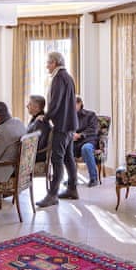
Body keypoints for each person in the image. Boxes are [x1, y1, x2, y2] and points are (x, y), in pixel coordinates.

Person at [37, 51, 78, 207]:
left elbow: (55, 102)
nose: (47, 66)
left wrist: (45, 117)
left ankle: (52, 195)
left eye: (48, 63)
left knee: (57, 159)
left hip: (62, 125)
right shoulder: (68, 77)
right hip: (70, 124)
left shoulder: (59, 78)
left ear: (55, 62)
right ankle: (72, 189)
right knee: (68, 158)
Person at [73, 96, 100, 187]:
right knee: (63, 149)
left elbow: (93, 129)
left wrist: (80, 135)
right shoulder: (68, 117)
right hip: (74, 142)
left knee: (86, 148)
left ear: (80, 103)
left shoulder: (91, 115)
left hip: (88, 140)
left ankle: (93, 178)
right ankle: (72, 178)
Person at [25, 95, 51, 163]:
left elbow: (37, 144)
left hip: (36, 156)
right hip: (35, 153)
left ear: (37, 108)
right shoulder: (36, 119)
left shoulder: (40, 121)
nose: (27, 106)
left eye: (29, 104)